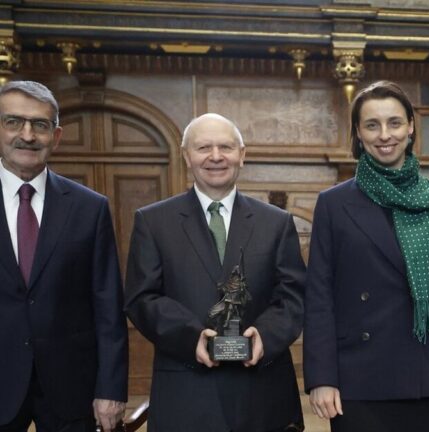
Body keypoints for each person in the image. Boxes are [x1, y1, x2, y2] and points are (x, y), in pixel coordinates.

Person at [303, 80, 429, 432]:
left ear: (410, 127)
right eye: (372, 125)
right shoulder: (333, 203)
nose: (384, 135)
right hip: (356, 378)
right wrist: (321, 377)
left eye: (394, 123)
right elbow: (318, 296)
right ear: (358, 134)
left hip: (425, 373)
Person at [124, 113, 305, 432]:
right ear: (186, 156)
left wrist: (265, 335)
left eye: (226, 147)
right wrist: (189, 337)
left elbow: (293, 296)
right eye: (204, 147)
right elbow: (142, 298)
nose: (216, 156)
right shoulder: (153, 222)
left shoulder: (276, 223)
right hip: (187, 392)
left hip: (262, 395)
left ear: (242, 155)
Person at [0, 81, 128, 432]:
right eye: (13, 122)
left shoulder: (90, 207)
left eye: (40, 125)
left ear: (55, 137)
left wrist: (111, 389)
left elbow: (108, 307)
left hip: (71, 388)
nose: (27, 135)